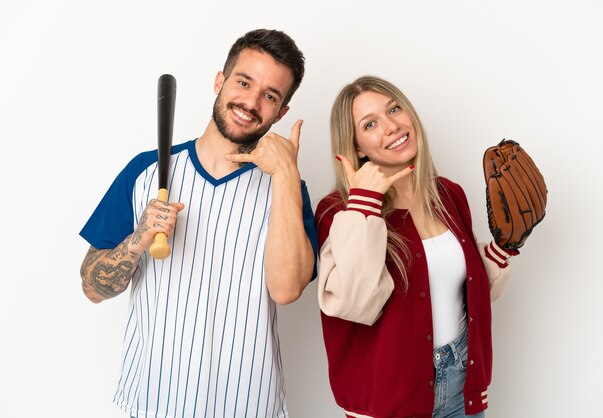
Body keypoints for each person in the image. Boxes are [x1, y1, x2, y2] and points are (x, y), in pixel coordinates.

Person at [79, 29, 317, 418]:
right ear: (219, 81)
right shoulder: (146, 171)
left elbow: (287, 290)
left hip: (250, 404)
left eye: (270, 95)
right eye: (243, 82)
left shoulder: (287, 188)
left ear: (281, 113)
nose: (251, 102)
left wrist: (287, 174)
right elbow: (92, 288)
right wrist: (137, 241)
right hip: (155, 401)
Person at [315, 76, 519, 418]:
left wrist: (505, 246)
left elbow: (468, 289)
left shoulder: (448, 194)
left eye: (395, 109)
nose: (392, 126)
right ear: (358, 146)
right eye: (370, 124)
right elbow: (354, 304)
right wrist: (364, 202)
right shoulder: (339, 211)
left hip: (462, 390)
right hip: (390, 402)